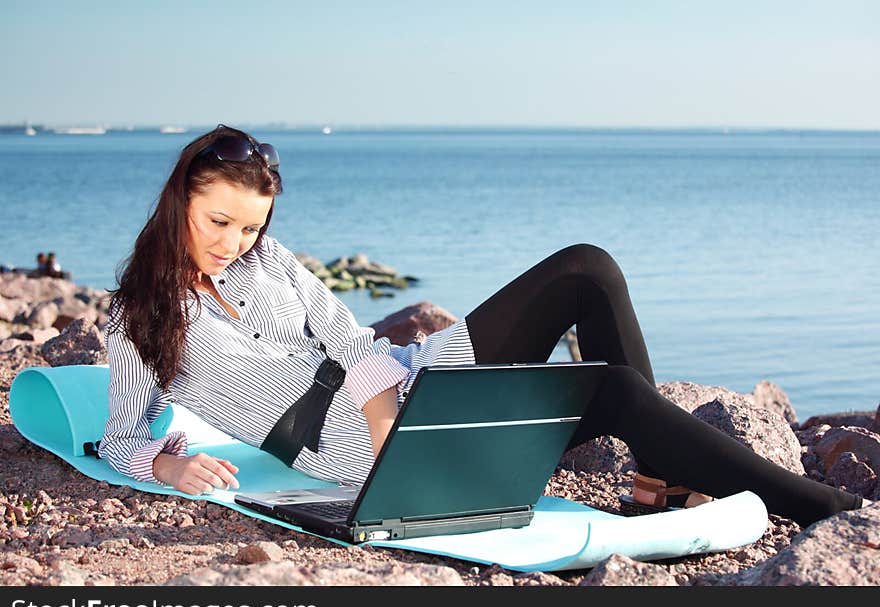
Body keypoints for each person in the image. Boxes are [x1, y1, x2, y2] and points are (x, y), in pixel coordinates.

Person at [101, 124, 870, 529]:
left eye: (250, 226)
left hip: (409, 387)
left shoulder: (268, 263)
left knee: (586, 268)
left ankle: (657, 485)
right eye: (219, 221)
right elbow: (119, 434)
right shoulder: (138, 316)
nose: (233, 242)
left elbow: (355, 343)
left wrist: (388, 411)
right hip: (346, 449)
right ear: (179, 200)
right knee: (613, 393)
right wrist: (167, 467)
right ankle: (821, 508)